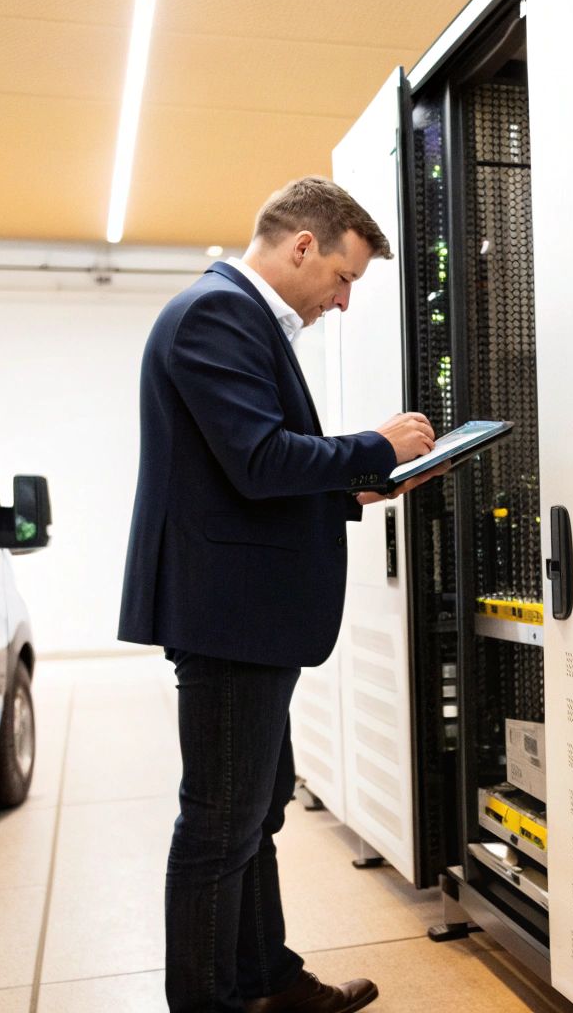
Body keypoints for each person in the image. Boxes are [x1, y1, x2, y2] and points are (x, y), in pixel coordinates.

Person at [119, 176, 443, 1013]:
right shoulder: (217, 314)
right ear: (305, 245)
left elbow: (242, 474)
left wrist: (353, 489)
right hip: (231, 618)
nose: (341, 302)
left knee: (255, 814)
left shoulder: (235, 316)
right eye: (344, 278)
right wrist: (373, 444)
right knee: (220, 826)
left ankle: (267, 982)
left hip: (248, 614)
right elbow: (260, 457)